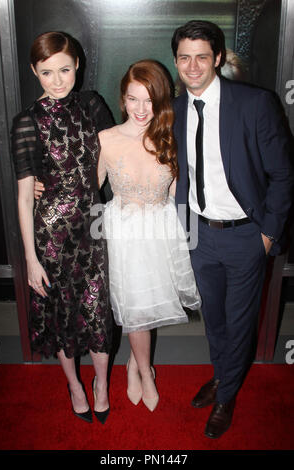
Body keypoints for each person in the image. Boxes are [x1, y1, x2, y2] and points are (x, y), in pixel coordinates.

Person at [171, 20, 293, 438]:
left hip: (246, 235)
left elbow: (283, 174)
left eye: (201, 56)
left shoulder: (254, 103)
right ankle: (224, 375)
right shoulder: (175, 109)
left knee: (240, 322)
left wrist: (267, 233)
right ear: (176, 60)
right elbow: (173, 172)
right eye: (184, 57)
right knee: (214, 319)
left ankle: (227, 396)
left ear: (218, 58)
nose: (192, 66)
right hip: (200, 236)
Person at [12, 31, 114, 425]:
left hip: (93, 230)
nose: (57, 80)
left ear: (78, 66)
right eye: (47, 72)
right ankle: (74, 386)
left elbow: (113, 151)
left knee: (97, 312)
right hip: (51, 238)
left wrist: (93, 185)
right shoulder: (26, 122)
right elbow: (23, 197)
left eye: (65, 70)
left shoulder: (92, 104)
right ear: (35, 72)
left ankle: (102, 384)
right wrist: (29, 259)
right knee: (63, 318)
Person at [97, 59, 201, 412]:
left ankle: (134, 365)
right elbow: (85, 189)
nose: (141, 109)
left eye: (149, 100)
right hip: (122, 231)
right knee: (134, 306)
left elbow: (179, 193)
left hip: (159, 229)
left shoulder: (169, 137)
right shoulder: (106, 139)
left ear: (161, 100)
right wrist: (40, 189)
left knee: (146, 304)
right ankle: (145, 371)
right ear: (122, 99)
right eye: (133, 99)